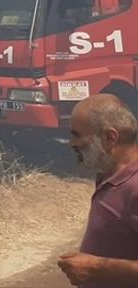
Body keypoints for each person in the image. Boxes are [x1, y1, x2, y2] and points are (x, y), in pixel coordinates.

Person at [58, 94, 138, 288]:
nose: (71, 144)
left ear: (110, 137)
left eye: (77, 135)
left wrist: (96, 268)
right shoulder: (109, 175)